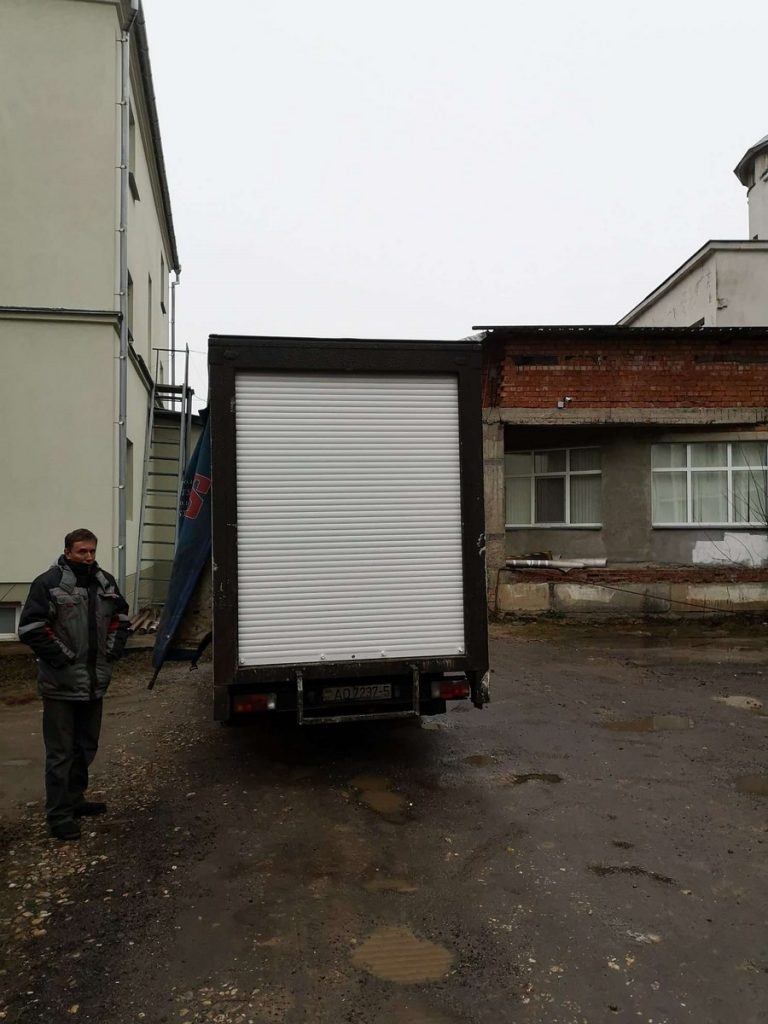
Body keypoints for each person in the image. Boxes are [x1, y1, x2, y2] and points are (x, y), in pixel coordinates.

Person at [18, 529, 130, 841]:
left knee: (85, 747)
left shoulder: (105, 582)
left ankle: (75, 800)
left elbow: (121, 619)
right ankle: (59, 816)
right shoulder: (49, 583)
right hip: (61, 686)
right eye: (82, 551)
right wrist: (64, 659)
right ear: (68, 552)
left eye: (92, 551)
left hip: (94, 684)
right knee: (60, 753)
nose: (89, 557)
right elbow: (31, 627)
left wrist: (111, 651)